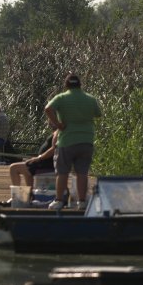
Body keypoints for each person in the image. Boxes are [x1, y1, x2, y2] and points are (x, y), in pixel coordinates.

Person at [44, 73, 102, 210]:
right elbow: (98, 114)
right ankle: (82, 202)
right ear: (80, 85)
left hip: (67, 140)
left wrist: (58, 124)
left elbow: (48, 109)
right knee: (82, 172)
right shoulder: (90, 99)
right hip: (86, 140)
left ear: (66, 85)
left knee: (62, 172)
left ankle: (58, 201)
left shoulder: (62, 98)